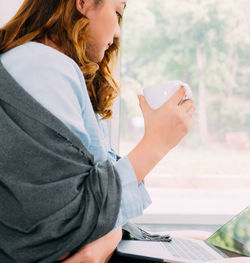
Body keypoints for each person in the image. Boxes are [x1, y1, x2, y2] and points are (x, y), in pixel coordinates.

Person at [0, 0, 195, 262]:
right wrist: (157, 142)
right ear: (82, 3)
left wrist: (108, 238)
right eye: (117, 12)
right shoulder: (43, 65)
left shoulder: (32, 62)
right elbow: (68, 226)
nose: (117, 33)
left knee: (202, 242)